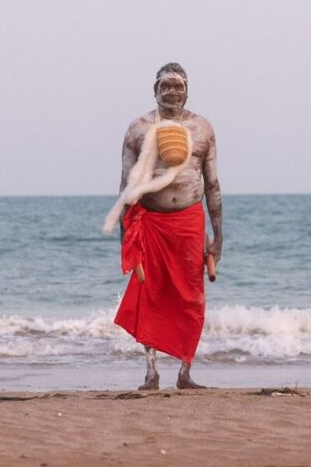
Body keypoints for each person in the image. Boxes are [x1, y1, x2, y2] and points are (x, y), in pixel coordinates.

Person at [107, 62, 223, 390]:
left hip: (189, 221)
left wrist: (218, 237)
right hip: (151, 222)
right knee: (150, 295)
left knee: (192, 296)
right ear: (154, 90)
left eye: (178, 86)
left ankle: (185, 371)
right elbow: (126, 185)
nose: (173, 91)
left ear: (188, 90)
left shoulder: (203, 128)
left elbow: (212, 184)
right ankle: (151, 371)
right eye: (166, 86)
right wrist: (125, 238)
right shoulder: (139, 129)